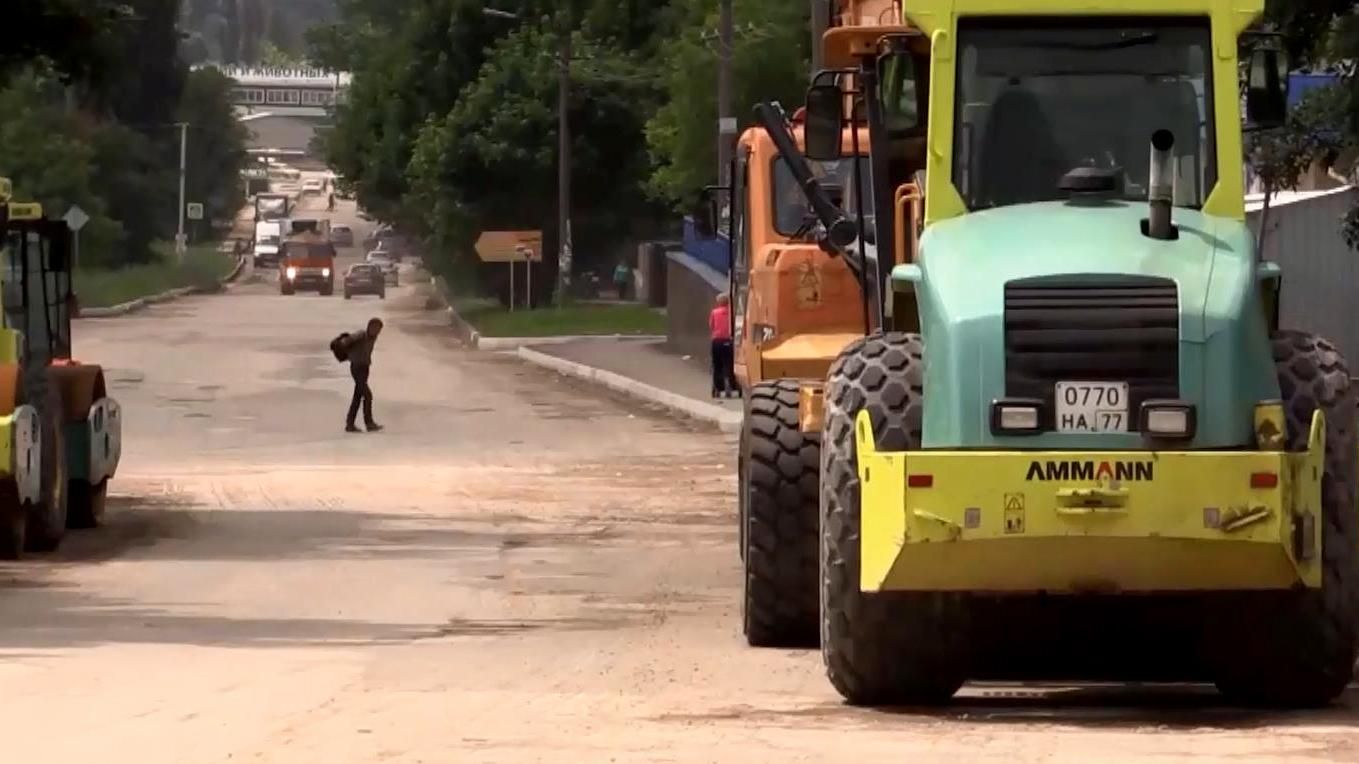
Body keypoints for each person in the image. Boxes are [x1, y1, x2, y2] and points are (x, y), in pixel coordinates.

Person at [343, 317, 384, 433]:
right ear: (369, 326)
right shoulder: (361, 335)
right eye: (374, 328)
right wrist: (350, 354)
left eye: (378, 329)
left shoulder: (373, 338)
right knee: (367, 395)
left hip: (365, 368)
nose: (376, 331)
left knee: (358, 396)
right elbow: (347, 341)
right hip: (357, 368)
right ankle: (369, 423)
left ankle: (350, 424)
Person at [708, 293, 739, 399]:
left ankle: (717, 387)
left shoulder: (714, 312)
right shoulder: (732, 313)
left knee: (717, 365)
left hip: (717, 341)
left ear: (719, 302)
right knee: (729, 364)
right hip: (729, 341)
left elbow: (711, 326)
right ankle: (730, 384)